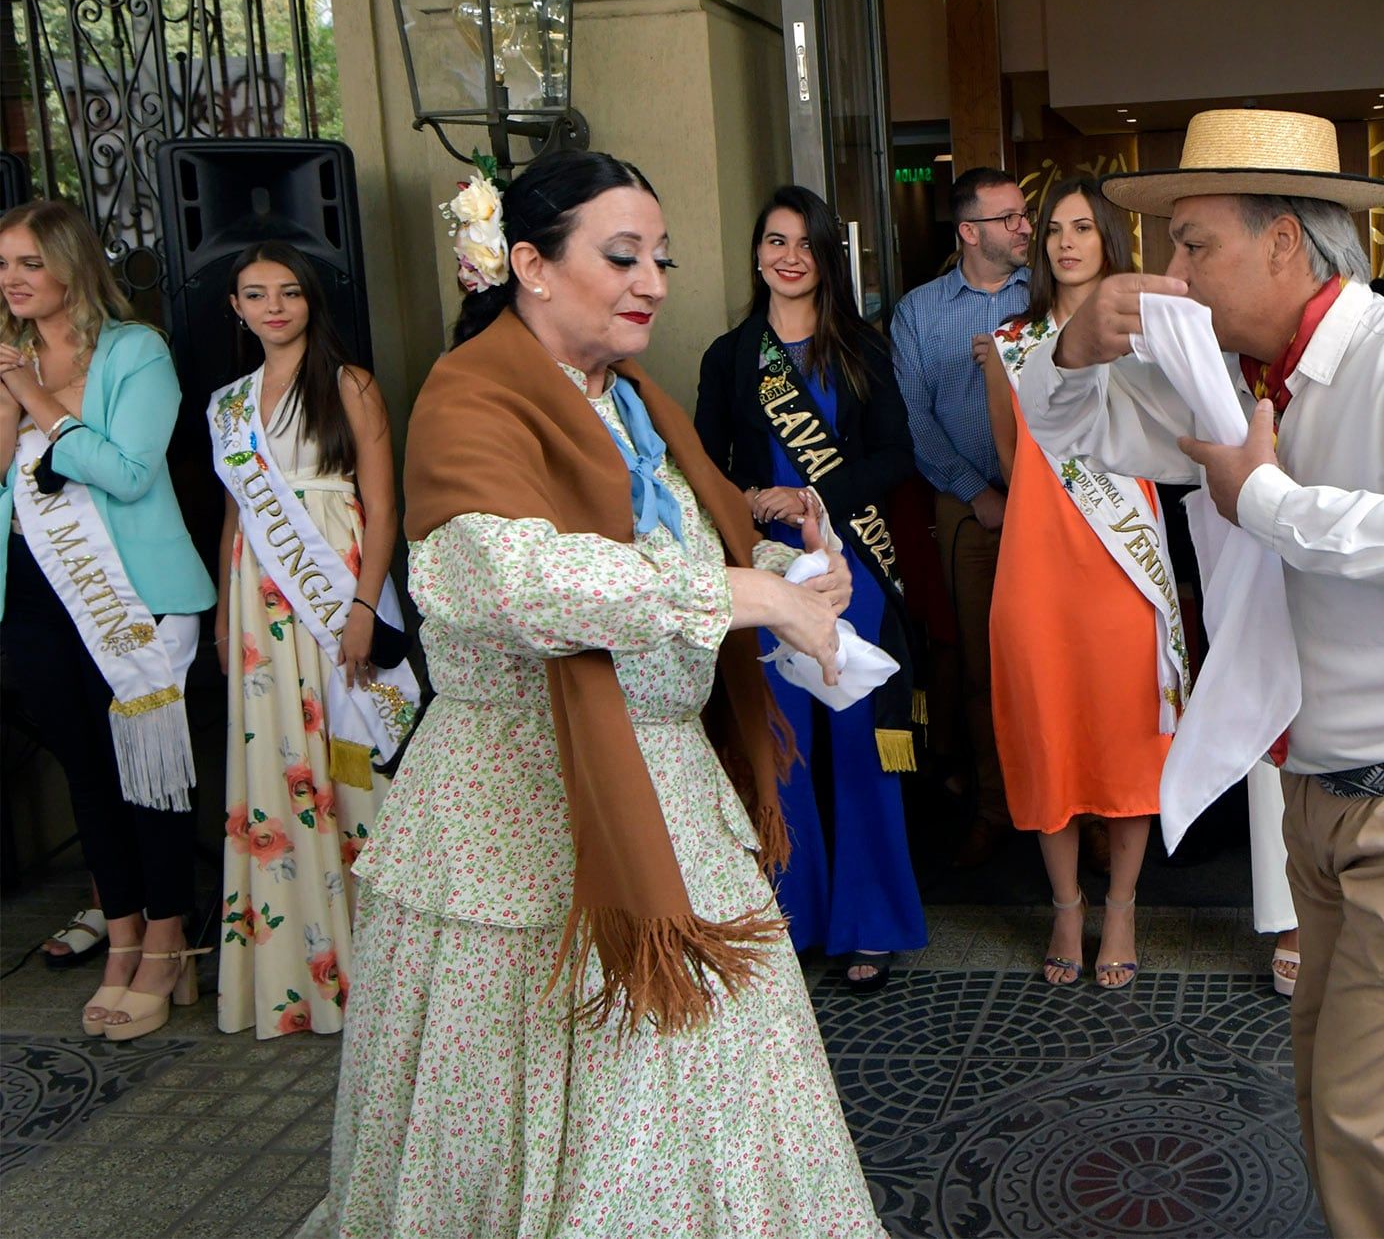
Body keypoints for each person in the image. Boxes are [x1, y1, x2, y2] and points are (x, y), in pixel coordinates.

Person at [1022, 108, 1384, 1236]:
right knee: (1340, 1102)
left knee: (1382, 1129)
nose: (1166, 270)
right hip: (1327, 796)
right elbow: (1075, 428)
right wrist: (1074, 343)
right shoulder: (1224, 377)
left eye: (1191, 242)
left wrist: (1263, 499)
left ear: (1283, 244)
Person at [326, 152, 883, 1236]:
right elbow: (508, 575)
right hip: (524, 806)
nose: (654, 280)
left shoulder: (632, 401)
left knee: (702, 1075)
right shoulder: (470, 391)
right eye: (621, 255)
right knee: (570, 1076)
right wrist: (746, 596)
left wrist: (788, 579)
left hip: (666, 784)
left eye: (660, 257)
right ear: (527, 263)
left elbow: (678, 553)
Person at [696, 185, 927, 993]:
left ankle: (870, 922)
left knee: (858, 737)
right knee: (781, 742)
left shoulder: (861, 347)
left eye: (802, 242)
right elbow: (704, 466)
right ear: (756, 252)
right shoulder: (730, 356)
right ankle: (790, 915)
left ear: (826, 255)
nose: (786, 256)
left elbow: (899, 454)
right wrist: (755, 496)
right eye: (772, 240)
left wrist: (820, 498)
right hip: (763, 568)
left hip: (847, 558)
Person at [0, 199, 215, 1041]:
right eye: (2, 266)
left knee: (149, 772)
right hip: (41, 590)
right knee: (86, 774)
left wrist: (35, 396)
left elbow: (127, 474)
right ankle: (121, 934)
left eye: (26, 263)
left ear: (69, 265)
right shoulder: (11, 355)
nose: (11, 280)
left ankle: (168, 943)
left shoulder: (134, 352)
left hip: (136, 592)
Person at [980, 177, 1186, 990]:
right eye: (1054, 230)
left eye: (1083, 228)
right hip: (1035, 565)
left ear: (1108, 240)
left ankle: (1124, 904)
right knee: (1046, 736)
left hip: (1121, 568)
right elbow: (1010, 459)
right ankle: (1066, 904)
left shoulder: (1146, 335)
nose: (1066, 243)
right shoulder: (1007, 342)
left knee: (1128, 737)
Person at [209, 240, 414, 1038]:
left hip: (336, 581)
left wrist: (362, 606)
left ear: (309, 301)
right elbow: (235, 510)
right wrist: (226, 623)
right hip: (261, 601)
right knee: (277, 760)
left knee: (354, 758)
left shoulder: (349, 384)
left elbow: (385, 504)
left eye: (288, 293)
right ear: (235, 308)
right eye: (256, 295)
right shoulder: (228, 404)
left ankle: (384, 973)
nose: (274, 307)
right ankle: (298, 969)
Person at [891, 166, 1030, 867]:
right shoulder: (917, 311)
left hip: (1054, 509)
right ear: (968, 231)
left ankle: (1078, 812)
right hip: (966, 508)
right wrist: (975, 491)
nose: (1025, 228)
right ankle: (994, 806)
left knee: (1054, 664)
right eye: (1008, 217)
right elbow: (914, 417)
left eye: (1024, 214)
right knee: (979, 668)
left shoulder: (1049, 297)